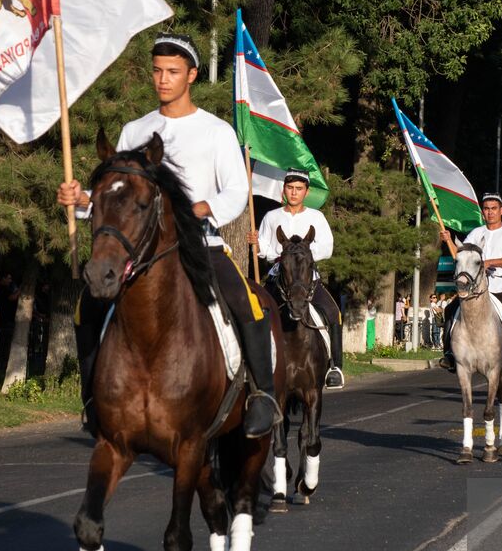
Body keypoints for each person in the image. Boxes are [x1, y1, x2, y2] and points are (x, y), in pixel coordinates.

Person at [58, 33, 279, 439]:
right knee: (86, 307)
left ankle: (263, 396)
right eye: (158, 71)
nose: (163, 79)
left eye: (173, 72)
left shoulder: (216, 132)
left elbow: (235, 190)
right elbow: (118, 195)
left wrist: (206, 207)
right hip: (141, 254)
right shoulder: (134, 130)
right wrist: (82, 199)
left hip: (201, 245)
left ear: (192, 75)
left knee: (247, 302)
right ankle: (92, 400)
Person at [250, 169, 346, 389]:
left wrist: (304, 256)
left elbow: (327, 247)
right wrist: (256, 244)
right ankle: (253, 364)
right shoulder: (271, 217)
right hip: (278, 277)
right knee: (256, 312)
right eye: (290, 188)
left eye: (299, 189)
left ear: (306, 191)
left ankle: (335, 367)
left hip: (306, 278)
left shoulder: (316, 217)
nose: (294, 193)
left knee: (333, 312)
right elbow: (265, 248)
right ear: (284, 189)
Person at [438, 193, 502, 373]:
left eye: (494, 209)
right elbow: (461, 254)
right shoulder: (476, 233)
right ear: (482, 212)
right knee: (450, 310)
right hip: (476, 287)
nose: (490, 212)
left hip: (501, 285)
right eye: (486, 209)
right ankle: (449, 354)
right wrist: (448, 240)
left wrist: (489, 262)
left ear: (501, 210)